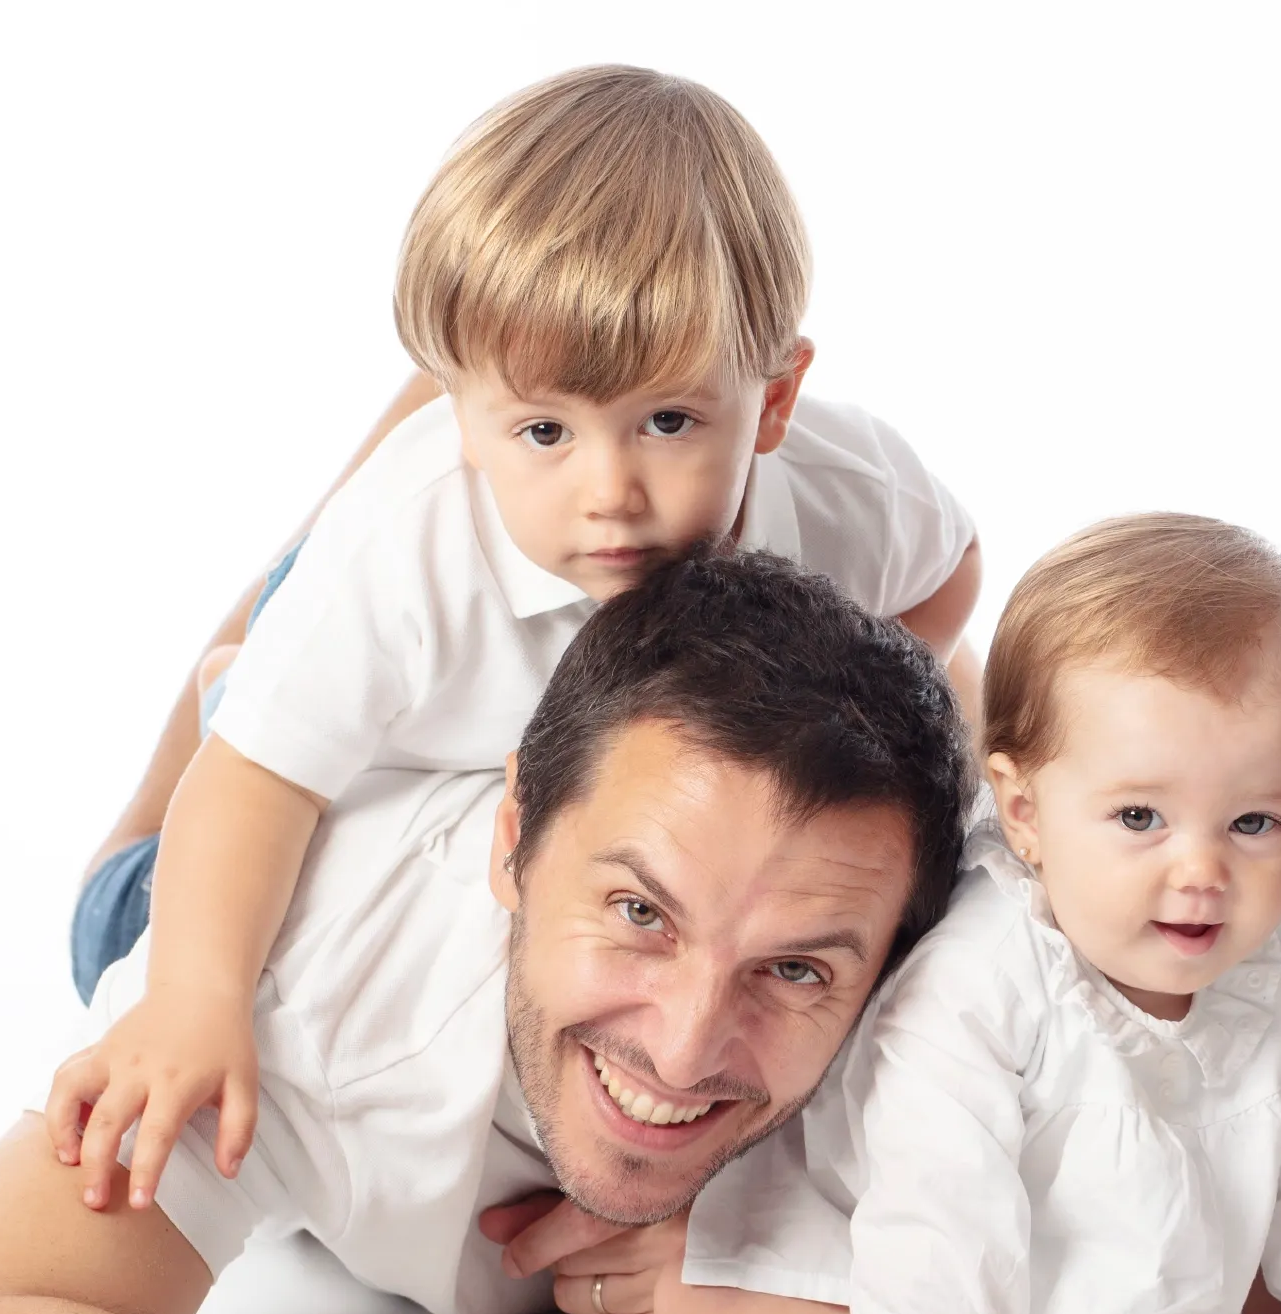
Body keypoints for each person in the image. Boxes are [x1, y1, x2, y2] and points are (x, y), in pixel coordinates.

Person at [0, 552, 978, 1314]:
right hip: (285, 843)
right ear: (512, 841)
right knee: (219, 757)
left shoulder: (948, 981)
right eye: (637, 912)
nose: (682, 1050)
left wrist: (737, 1248)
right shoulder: (312, 998)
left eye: (794, 971)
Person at [58, 67, 984, 1224]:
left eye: (668, 421)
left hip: (543, 751)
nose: (610, 493)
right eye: (546, 429)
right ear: (465, 421)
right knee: (201, 817)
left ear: (777, 398)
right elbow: (254, 784)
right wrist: (194, 999)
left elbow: (947, 571)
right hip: (329, 776)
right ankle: (244, 675)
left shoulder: (846, 489)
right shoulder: (407, 555)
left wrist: (849, 705)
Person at [664, 518, 1281, 1314]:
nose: (1201, 870)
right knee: (730, 1309)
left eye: (1253, 821)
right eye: (1139, 817)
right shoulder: (983, 972)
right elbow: (938, 1180)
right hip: (877, 1239)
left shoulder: (1279, 952)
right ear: (1024, 811)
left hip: (1107, 1241)